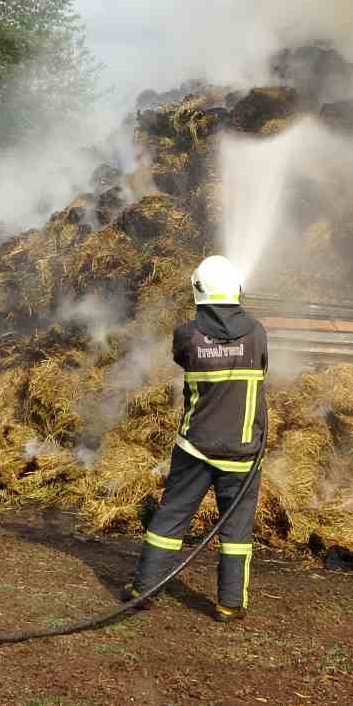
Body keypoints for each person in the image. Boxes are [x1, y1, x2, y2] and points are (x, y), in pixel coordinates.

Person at [128, 256, 268, 622]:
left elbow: (182, 357)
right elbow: (262, 366)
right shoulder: (256, 333)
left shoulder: (187, 335)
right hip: (242, 451)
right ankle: (229, 604)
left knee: (171, 518)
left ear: (197, 290)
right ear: (237, 289)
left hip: (194, 447)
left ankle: (144, 589)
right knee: (236, 530)